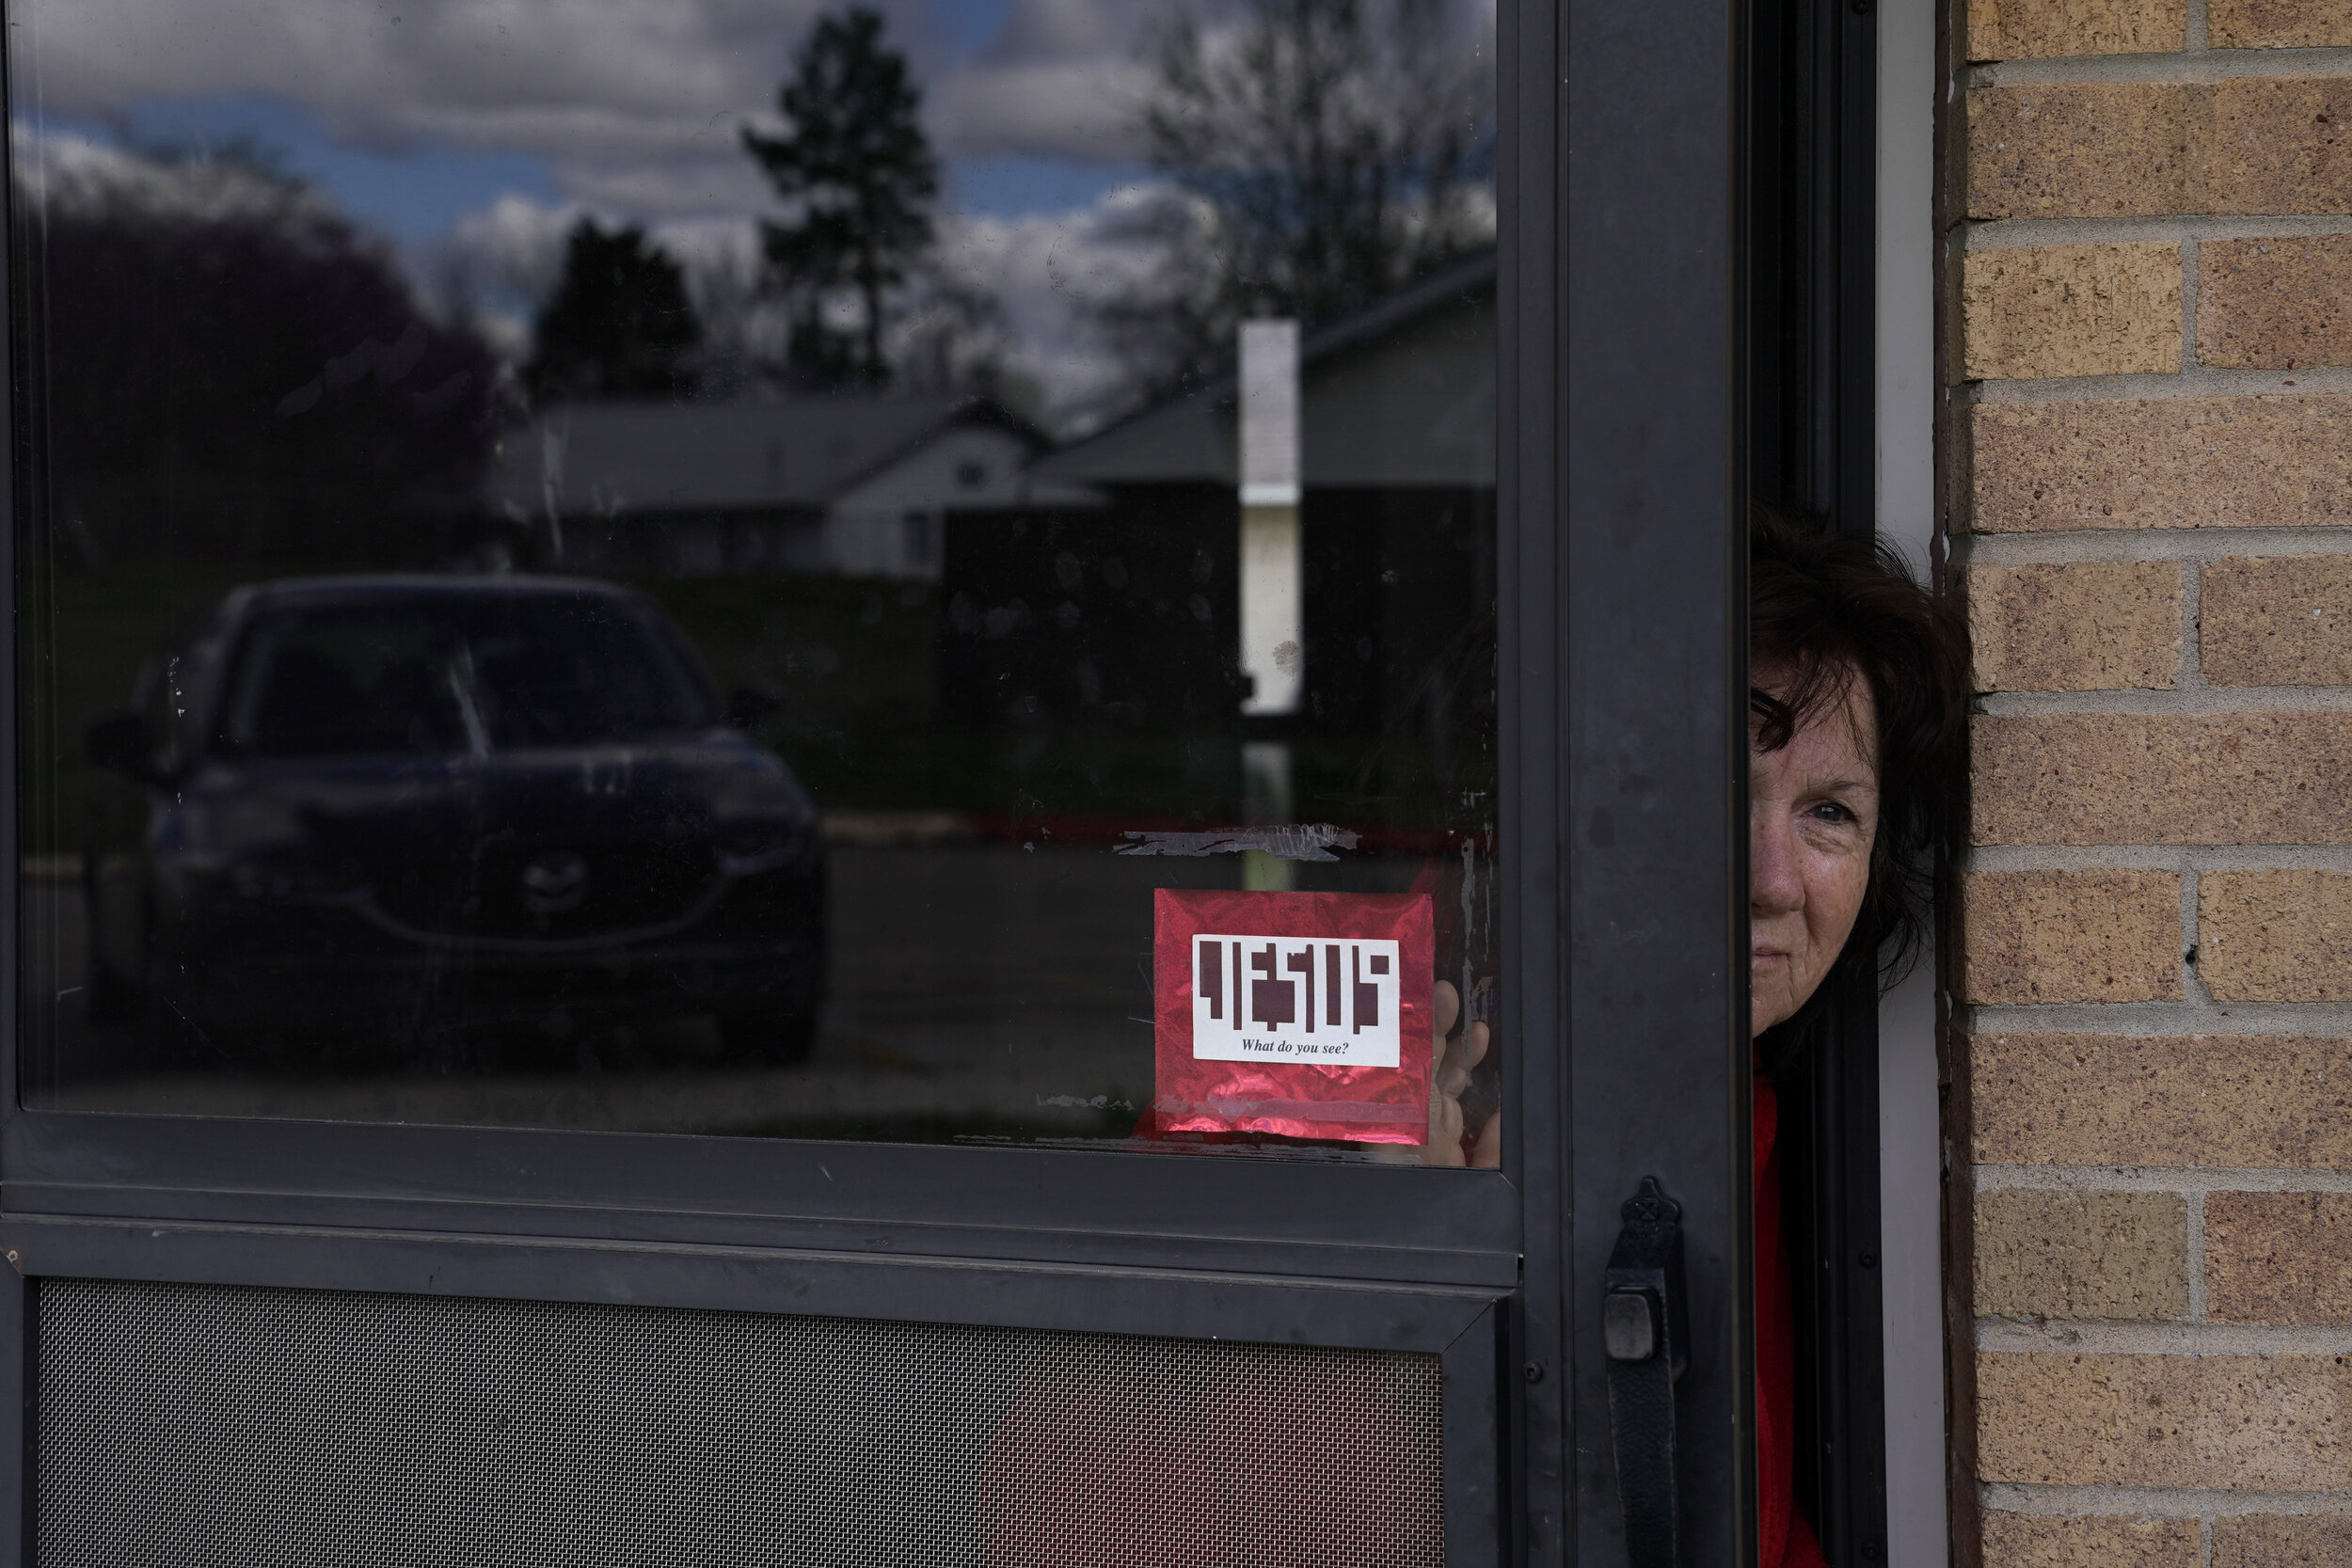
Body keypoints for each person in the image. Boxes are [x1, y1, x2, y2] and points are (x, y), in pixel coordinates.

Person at [1420, 512, 1965, 1563]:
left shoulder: (1748, 1111)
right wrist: (1420, 1278)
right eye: (1710, 793)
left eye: (1830, 814)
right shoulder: (1349, 1080)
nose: (1768, 880)